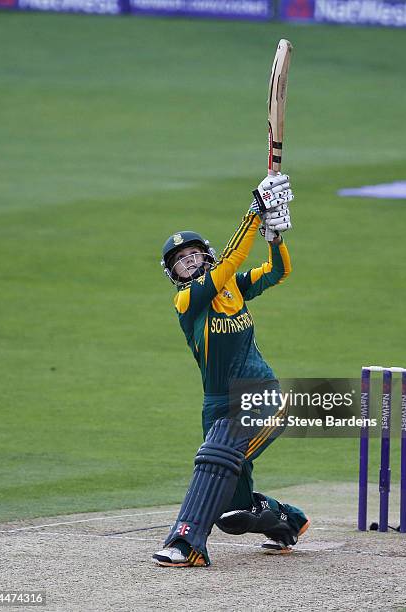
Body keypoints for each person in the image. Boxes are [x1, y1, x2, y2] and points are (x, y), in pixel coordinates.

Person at [153, 174, 309, 567]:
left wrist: (274, 237)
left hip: (262, 395)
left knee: (216, 458)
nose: (187, 261)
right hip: (218, 404)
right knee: (233, 513)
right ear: (175, 274)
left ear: (205, 255)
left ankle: (186, 544)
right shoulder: (187, 300)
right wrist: (255, 212)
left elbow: (277, 273)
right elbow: (231, 261)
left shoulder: (232, 286)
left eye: (192, 254)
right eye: (179, 261)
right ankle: (288, 520)